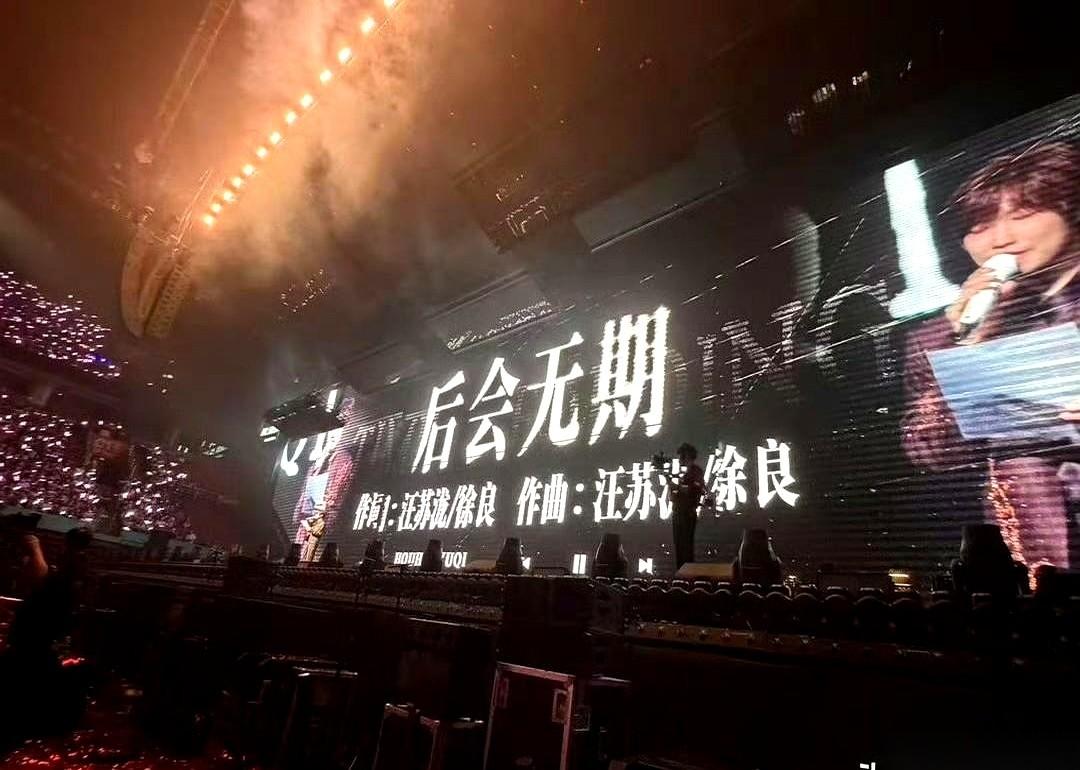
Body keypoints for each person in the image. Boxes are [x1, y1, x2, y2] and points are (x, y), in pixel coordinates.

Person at [902, 141, 1080, 572]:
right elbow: (932, 452)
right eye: (980, 225)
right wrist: (972, 341)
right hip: (1032, 558)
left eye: (1024, 214)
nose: (1001, 238)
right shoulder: (938, 336)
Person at [670, 442, 706, 570]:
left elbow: (693, 489)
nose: (680, 460)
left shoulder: (696, 471)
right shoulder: (679, 473)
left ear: (688, 456)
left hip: (688, 513)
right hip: (677, 512)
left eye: (682, 456)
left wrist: (677, 486)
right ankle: (680, 572)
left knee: (686, 546)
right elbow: (673, 495)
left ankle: (688, 573)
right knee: (679, 546)